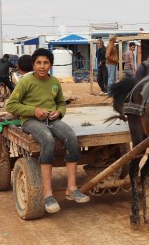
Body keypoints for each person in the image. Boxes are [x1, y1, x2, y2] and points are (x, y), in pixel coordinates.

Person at [6, 48, 90, 214]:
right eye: (38, 63)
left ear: (51, 65)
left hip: (52, 119)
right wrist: (33, 110)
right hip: (30, 121)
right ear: (33, 64)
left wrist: (59, 112)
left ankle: (71, 188)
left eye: (46, 63)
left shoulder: (55, 82)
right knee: (47, 140)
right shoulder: (25, 81)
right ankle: (47, 194)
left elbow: (61, 103)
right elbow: (11, 105)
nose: (42, 66)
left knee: (72, 138)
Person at [0, 54, 34, 161]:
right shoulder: (39, 78)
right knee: (11, 86)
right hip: (39, 113)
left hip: (27, 118)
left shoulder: (23, 81)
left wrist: (12, 112)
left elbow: (13, 106)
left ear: (19, 67)